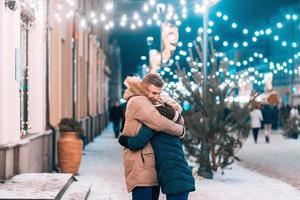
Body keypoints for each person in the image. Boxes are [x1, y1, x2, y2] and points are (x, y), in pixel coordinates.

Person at [121, 74, 186, 200]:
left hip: (150, 163)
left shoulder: (148, 99)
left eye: (158, 93)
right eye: (153, 92)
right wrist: (181, 131)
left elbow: (178, 108)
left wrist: (161, 97)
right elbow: (160, 123)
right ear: (143, 87)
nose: (156, 97)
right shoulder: (138, 101)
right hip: (140, 162)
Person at [119, 101, 195, 200]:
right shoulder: (173, 128)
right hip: (183, 175)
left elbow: (137, 143)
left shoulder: (154, 125)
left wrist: (124, 140)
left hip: (173, 179)